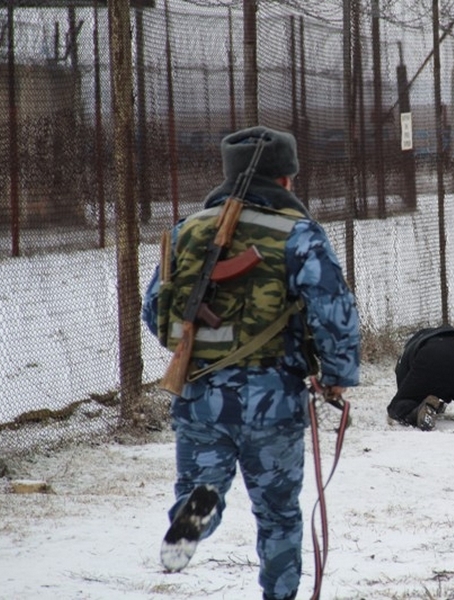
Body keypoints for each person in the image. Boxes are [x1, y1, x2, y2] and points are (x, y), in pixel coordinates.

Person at [141, 125, 360, 600]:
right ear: (285, 180)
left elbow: (155, 310)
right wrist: (337, 376)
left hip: (198, 396)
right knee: (279, 515)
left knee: (202, 486)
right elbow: (334, 311)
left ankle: (198, 507)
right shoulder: (299, 235)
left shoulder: (185, 231)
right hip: (273, 401)